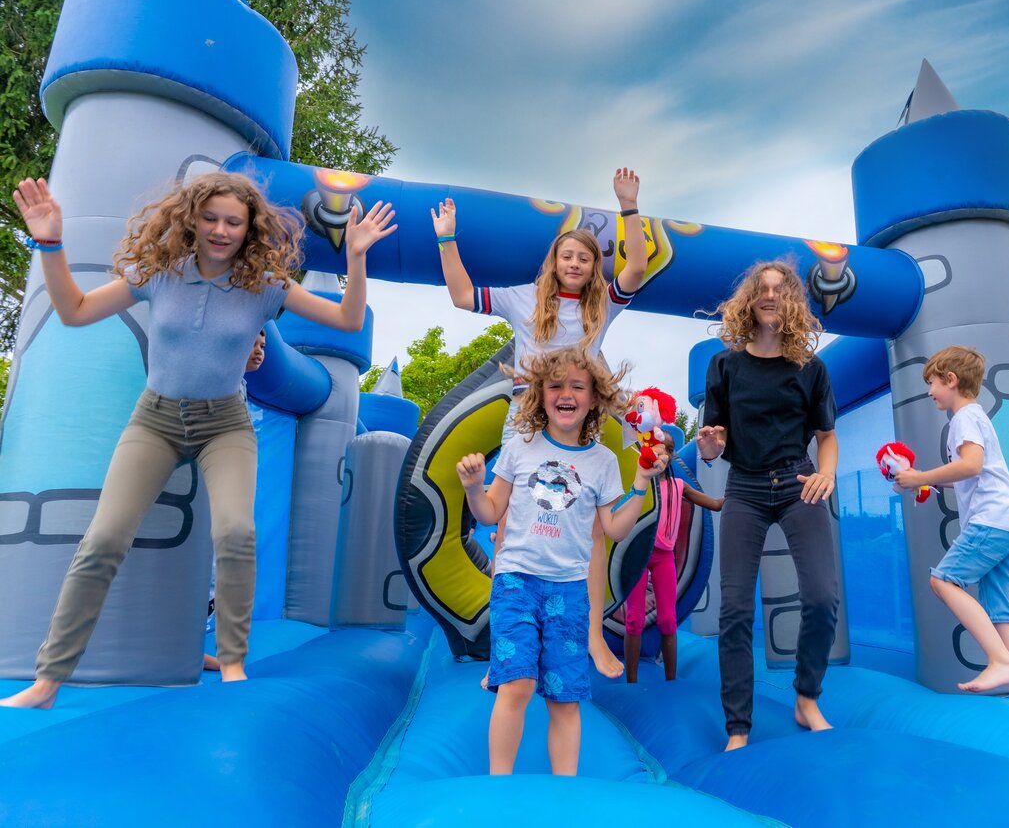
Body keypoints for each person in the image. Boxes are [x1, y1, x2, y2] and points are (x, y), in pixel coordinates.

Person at [1, 173, 396, 710]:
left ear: (250, 227)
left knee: (236, 532)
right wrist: (50, 241)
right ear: (190, 218)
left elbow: (348, 320)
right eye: (210, 218)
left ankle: (232, 664)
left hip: (225, 425)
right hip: (155, 421)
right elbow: (73, 311)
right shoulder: (159, 274)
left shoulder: (265, 287)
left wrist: (355, 255)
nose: (220, 230)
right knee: (102, 540)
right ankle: (48, 681)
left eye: (233, 221)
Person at [433, 168, 653, 680]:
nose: (575, 263)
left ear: (591, 268)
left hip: (583, 424)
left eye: (583, 258)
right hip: (528, 421)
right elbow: (463, 296)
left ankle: (594, 635)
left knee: (594, 529)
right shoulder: (523, 298)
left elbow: (637, 268)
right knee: (509, 527)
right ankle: (503, 649)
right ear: (552, 263)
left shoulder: (601, 308)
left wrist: (629, 206)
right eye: (566, 256)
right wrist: (447, 239)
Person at [456, 345, 667, 775]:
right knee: (516, 685)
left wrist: (642, 483)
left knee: (564, 697)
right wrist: (475, 488)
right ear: (540, 394)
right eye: (555, 385)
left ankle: (564, 793)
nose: (565, 393)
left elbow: (614, 528)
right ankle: (500, 783)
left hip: (568, 590)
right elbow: (491, 512)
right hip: (516, 581)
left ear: (592, 398)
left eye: (577, 385)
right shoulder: (520, 447)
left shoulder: (603, 461)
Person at [696, 260, 840, 751]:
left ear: (793, 300)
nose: (771, 296)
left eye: (780, 289)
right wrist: (711, 446)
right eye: (762, 288)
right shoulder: (726, 366)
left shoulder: (811, 369)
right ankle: (738, 727)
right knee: (734, 610)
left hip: (799, 483)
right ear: (749, 299)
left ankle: (806, 696)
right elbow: (712, 443)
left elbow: (827, 435)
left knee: (822, 597)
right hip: (747, 488)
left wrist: (827, 472)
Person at [893, 345, 1009, 700]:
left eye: (933, 383)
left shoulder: (964, 418)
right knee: (999, 618)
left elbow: (971, 464)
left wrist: (919, 475)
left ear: (951, 380)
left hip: (992, 521)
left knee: (942, 581)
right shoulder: (977, 416)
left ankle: (999, 661)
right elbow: (970, 473)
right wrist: (927, 481)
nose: (930, 392)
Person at [623, 430, 723, 683]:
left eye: (666, 449)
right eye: (656, 447)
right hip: (637, 555)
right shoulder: (638, 484)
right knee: (634, 618)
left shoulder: (679, 486)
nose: (660, 453)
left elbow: (715, 504)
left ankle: (671, 680)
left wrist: (740, 491)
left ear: (671, 455)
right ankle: (631, 682)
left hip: (663, 557)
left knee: (667, 619)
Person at [203, 328, 268, 673]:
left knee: (217, 566)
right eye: (252, 344)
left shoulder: (239, 385)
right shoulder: (219, 379)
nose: (259, 351)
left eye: (263, 345)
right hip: (209, 489)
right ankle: (182, 644)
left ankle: (189, 643)